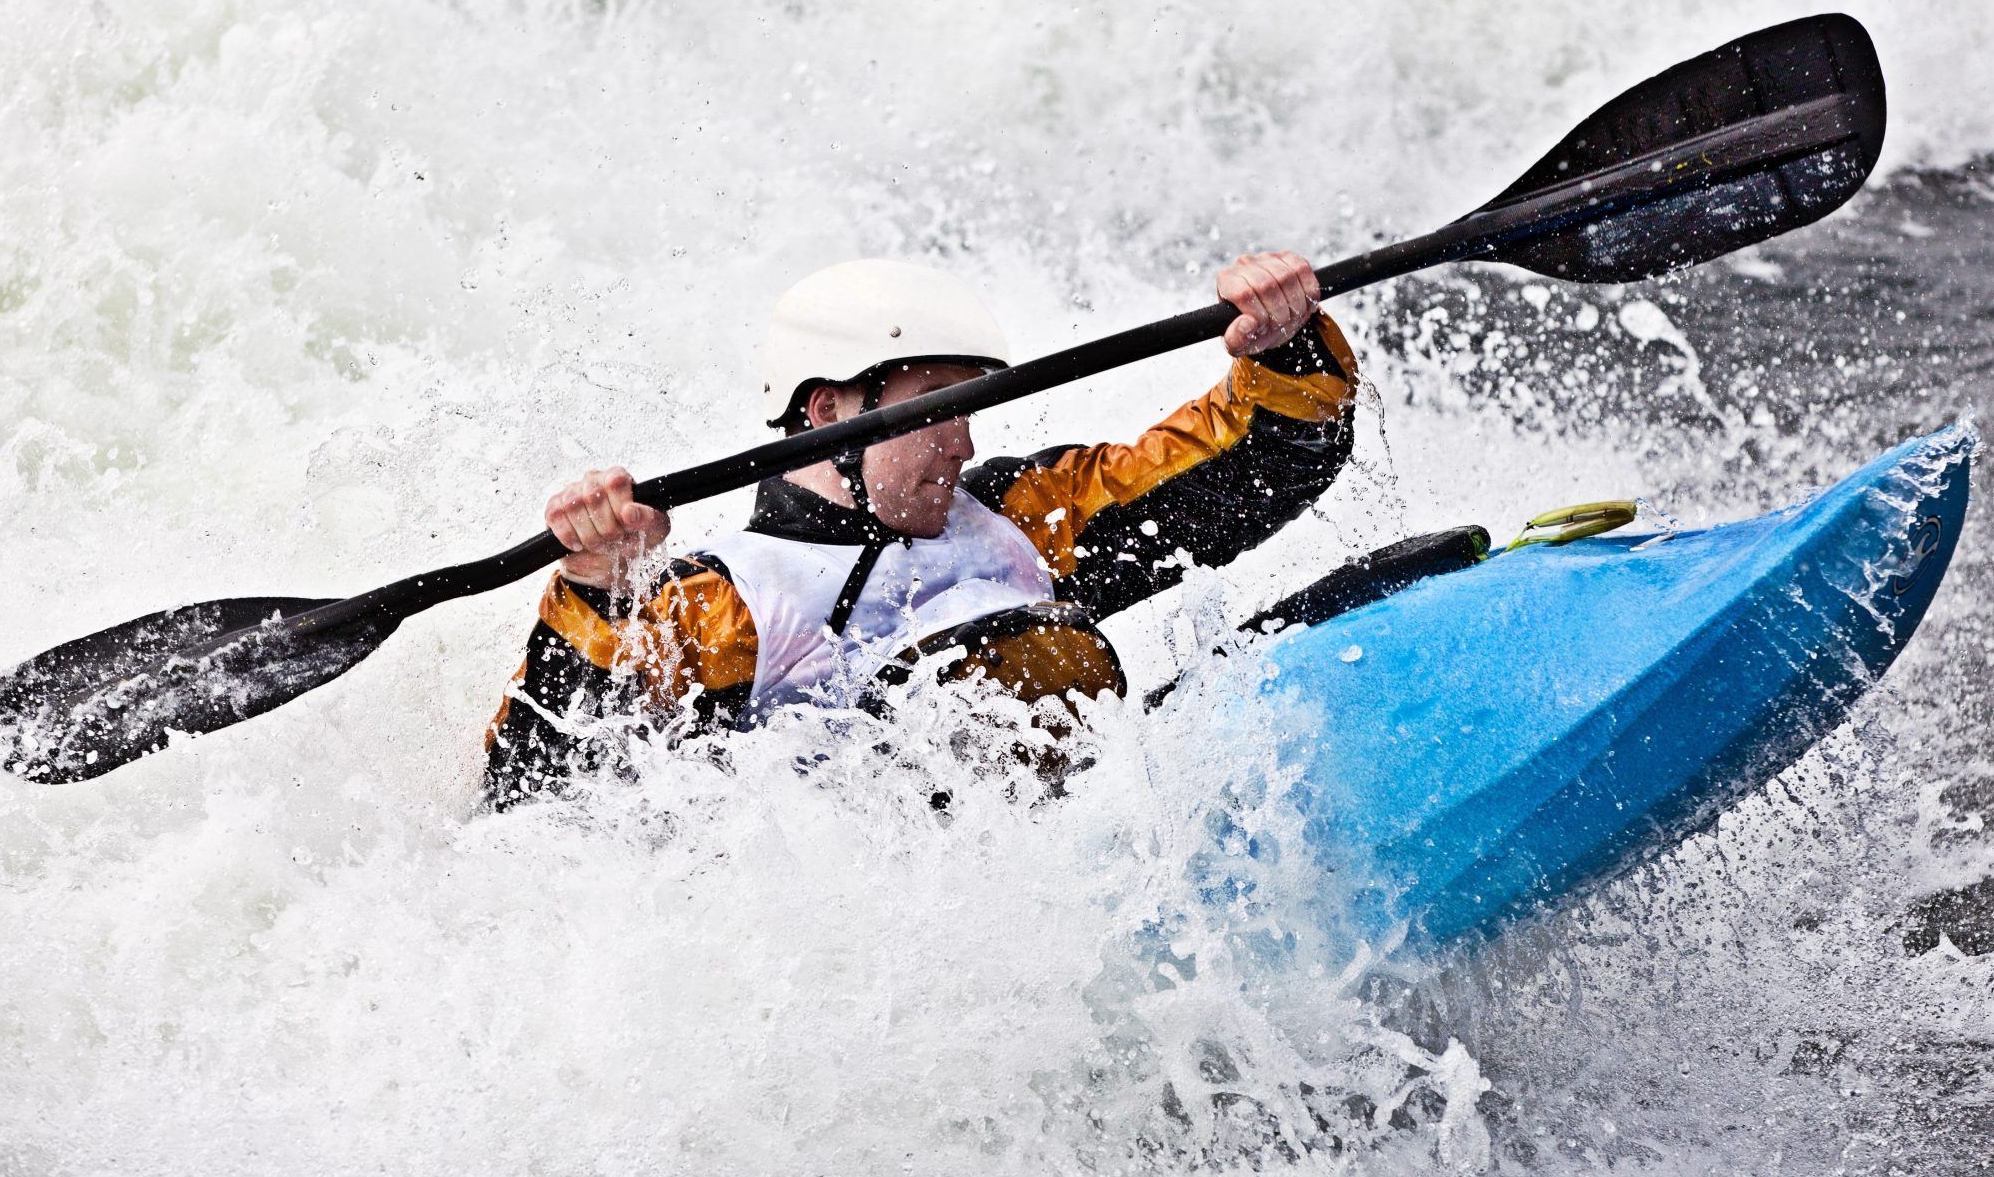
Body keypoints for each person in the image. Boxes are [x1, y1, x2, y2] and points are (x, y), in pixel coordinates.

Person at [482, 251, 1358, 809]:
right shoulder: (722, 605)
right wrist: (598, 585)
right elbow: (537, 796)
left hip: (1095, 833)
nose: (966, 441)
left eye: (973, 410)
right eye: (938, 413)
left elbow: (1258, 469)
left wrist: (1284, 344)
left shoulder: (1025, 515)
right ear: (830, 411)